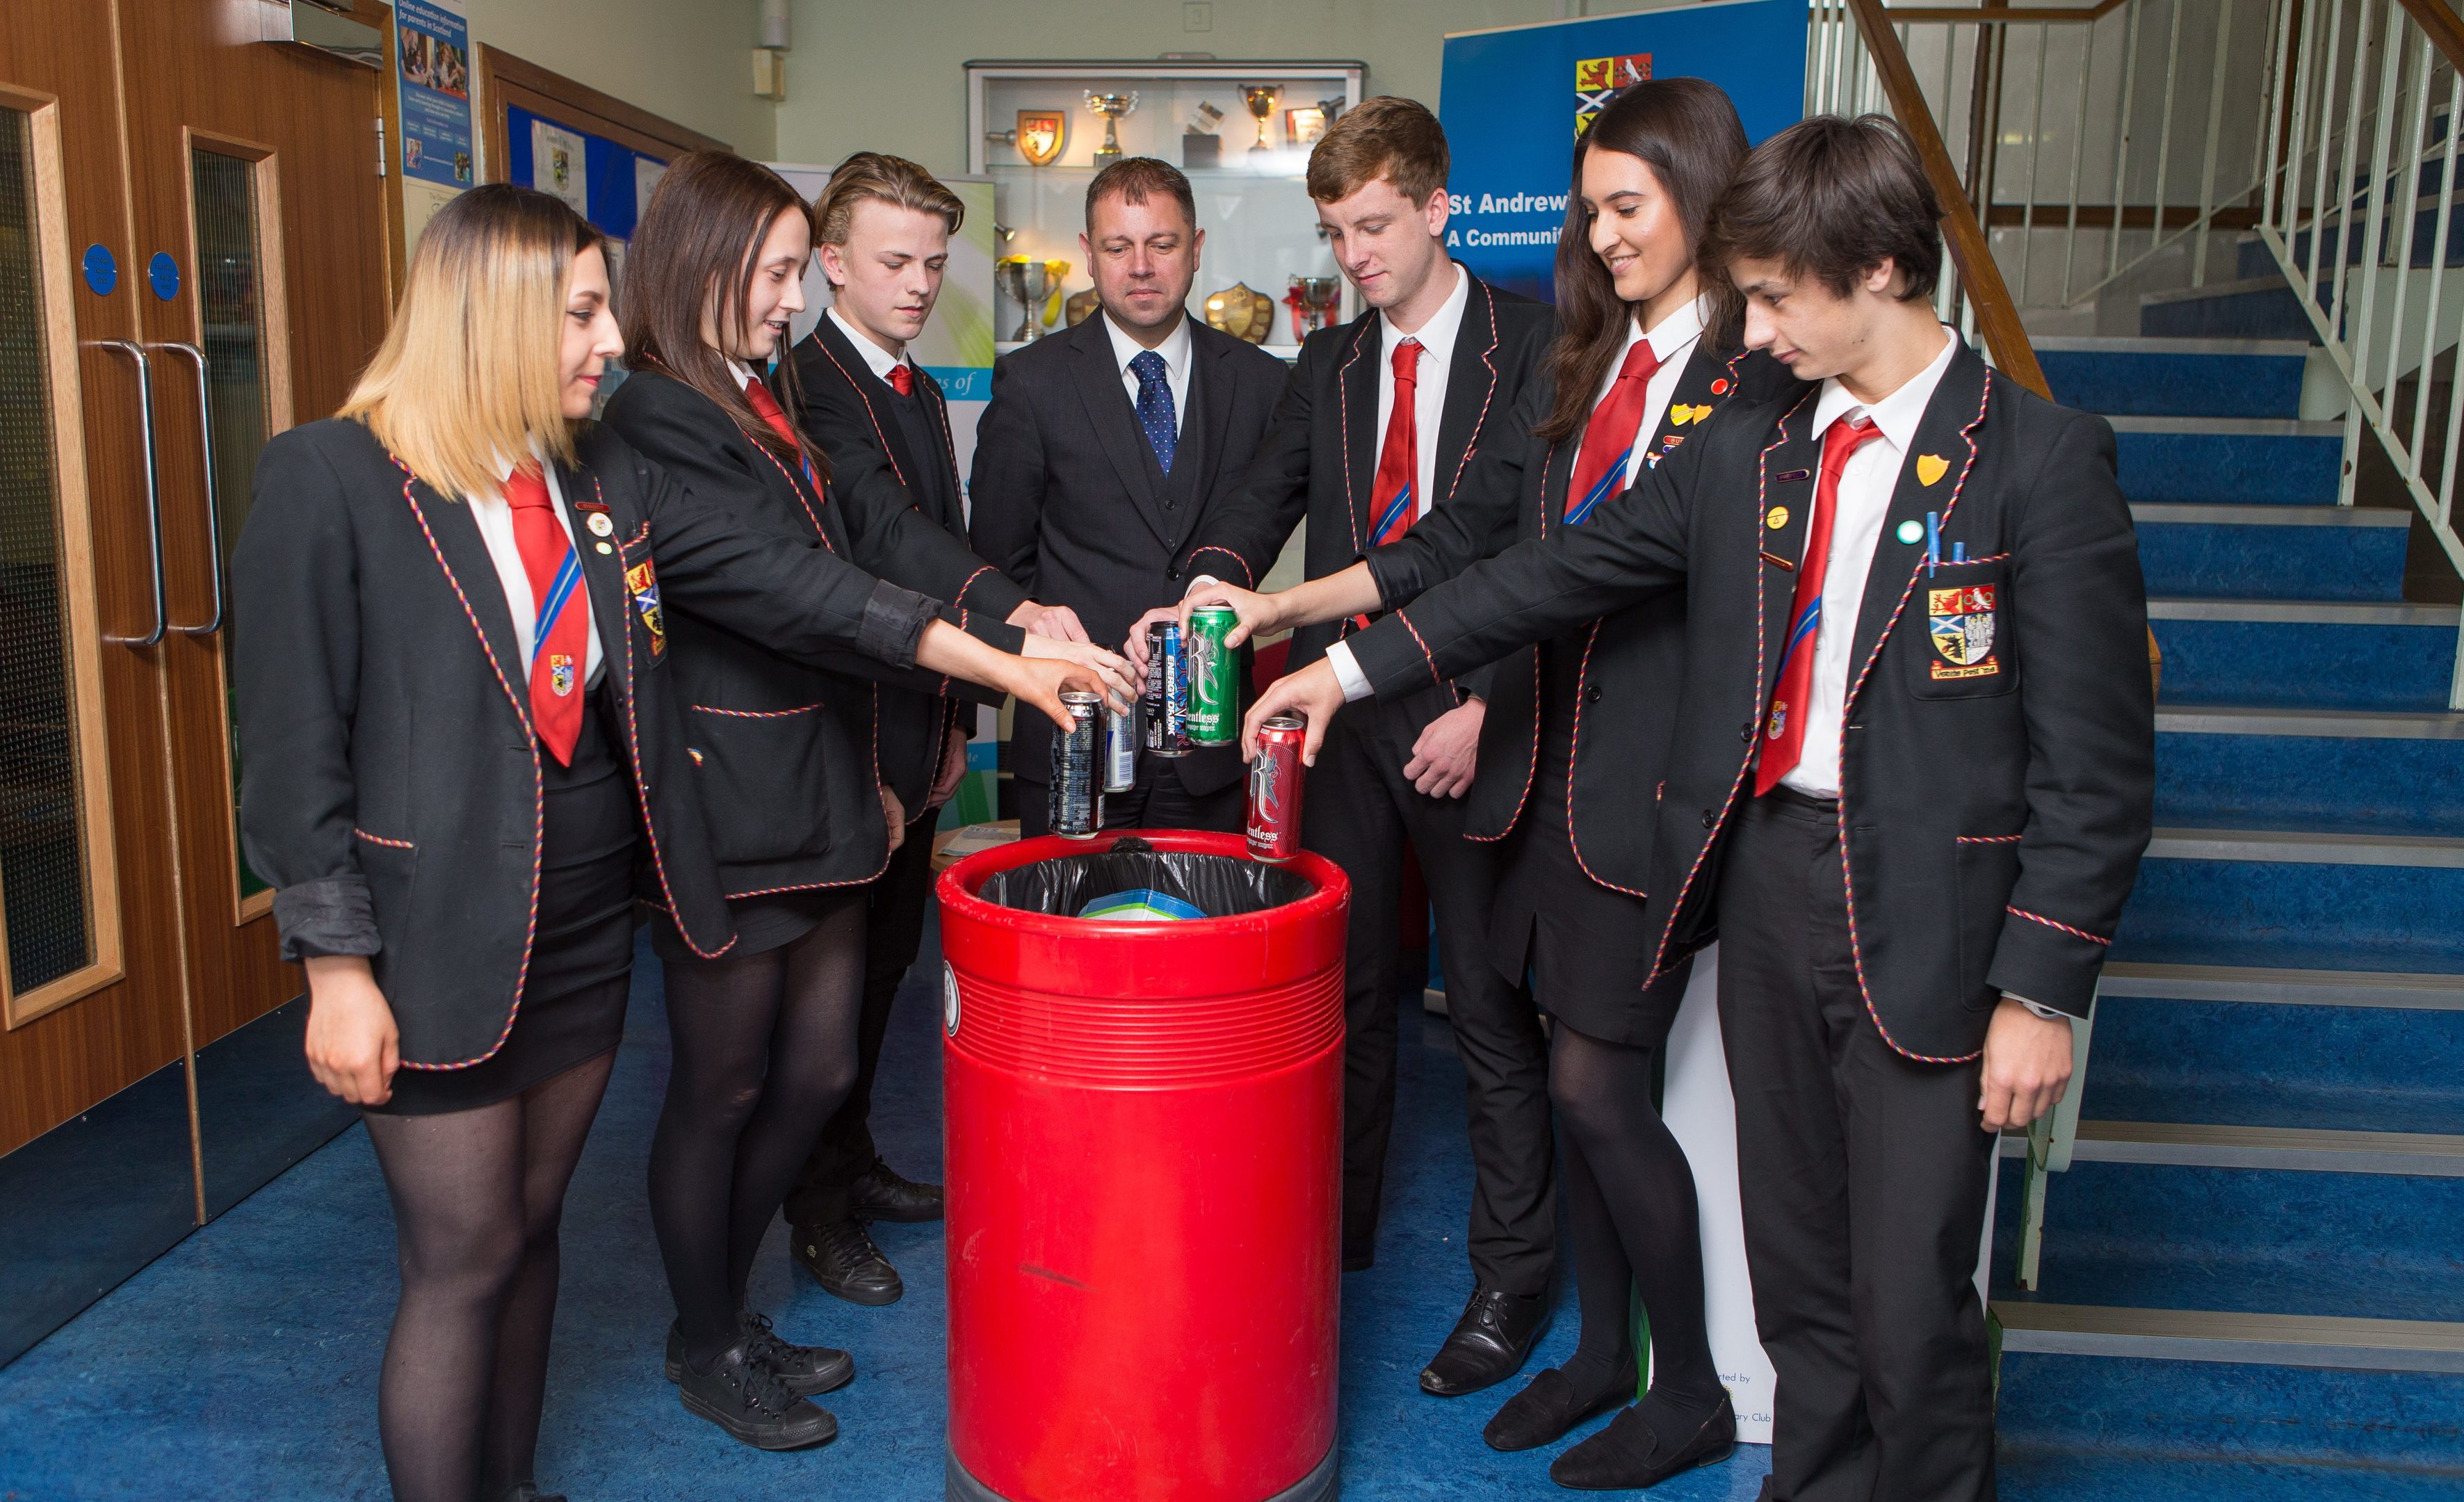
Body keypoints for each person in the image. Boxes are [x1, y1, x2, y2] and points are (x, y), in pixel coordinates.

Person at [1247, 115, 2153, 1500]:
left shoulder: (2034, 460)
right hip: (1769, 878)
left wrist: (2040, 992)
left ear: (1887, 271)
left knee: (1909, 1305)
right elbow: (1548, 572)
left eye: (1782, 298)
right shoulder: (1758, 450)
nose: (1761, 328)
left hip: (1927, 918)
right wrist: (1344, 667)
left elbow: (2093, 768)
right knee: (1795, 1284)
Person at [232, 184, 1098, 1499]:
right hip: (431, 936)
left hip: (581, 922)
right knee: (462, 1260)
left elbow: (802, 585)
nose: (606, 343)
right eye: (580, 313)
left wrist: (1007, 663)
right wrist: (335, 968)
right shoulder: (333, 476)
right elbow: (293, 754)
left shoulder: (596, 472)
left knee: (531, 1239)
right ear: (494, 314)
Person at [1184, 79, 1794, 1486]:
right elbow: (1479, 532)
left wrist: (1363, 670)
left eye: (1624, 207)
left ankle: (1679, 1377)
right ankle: (1598, 1351)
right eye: (1590, 211)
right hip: (1543, 768)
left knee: (1574, 1082)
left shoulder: (1743, 380)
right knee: (1508, 1046)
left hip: (1628, 788)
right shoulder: (1588, 360)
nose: (1601, 233)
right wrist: (1269, 612)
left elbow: (1565, 566)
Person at [600, 154, 1128, 1451]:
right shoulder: (658, 418)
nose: (789, 301)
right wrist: (1004, 666)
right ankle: (707, 1337)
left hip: (820, 791)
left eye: (793, 273)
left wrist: (1016, 615)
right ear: (701, 265)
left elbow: (881, 539)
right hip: (734, 810)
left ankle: (724, 1310)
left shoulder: (759, 394)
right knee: (721, 1092)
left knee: (824, 1068)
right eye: (774, 273)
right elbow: (809, 590)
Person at [1147, 96, 1559, 1399]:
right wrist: (1213, 585)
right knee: (1345, 992)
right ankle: (1332, 1241)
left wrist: (1484, 700)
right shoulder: (1325, 368)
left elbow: (1521, 549)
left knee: (1487, 1009)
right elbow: (1256, 503)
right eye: (1335, 233)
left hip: (1470, 711)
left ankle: (1509, 1277)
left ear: (1440, 208)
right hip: (1344, 713)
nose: (1355, 256)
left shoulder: (1535, 350)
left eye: (1375, 226)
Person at [786, 152, 1081, 1306]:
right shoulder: (810, 386)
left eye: (931, 263)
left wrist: (957, 720)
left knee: (885, 972)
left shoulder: (906, 385)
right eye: (893, 262)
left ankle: (854, 1166)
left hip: (916, 732)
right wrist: (1018, 618)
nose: (916, 285)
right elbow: (887, 536)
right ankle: (816, 1214)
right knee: (831, 1000)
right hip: (844, 737)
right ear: (830, 264)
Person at [968, 155, 1290, 836]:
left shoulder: (1263, 385)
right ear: (1089, 255)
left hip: (1214, 746)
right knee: (1071, 936)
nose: (1140, 265)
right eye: (1118, 246)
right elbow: (998, 565)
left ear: (1196, 249)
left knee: (1205, 935)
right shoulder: (1031, 384)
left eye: (1162, 244)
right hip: (1073, 739)